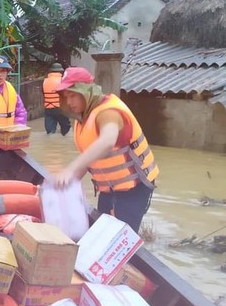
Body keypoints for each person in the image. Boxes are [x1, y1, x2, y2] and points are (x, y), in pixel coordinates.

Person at [53, 67, 159, 231]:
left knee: (120, 237)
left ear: (86, 91)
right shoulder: (84, 118)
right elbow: (89, 159)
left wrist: (69, 169)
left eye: (73, 95)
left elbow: (107, 141)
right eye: (66, 97)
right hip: (109, 188)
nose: (69, 102)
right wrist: (65, 184)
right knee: (102, 230)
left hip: (134, 188)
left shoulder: (109, 112)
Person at [42, 62, 71, 135]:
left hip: (48, 109)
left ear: (50, 71)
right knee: (65, 129)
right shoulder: (64, 81)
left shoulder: (45, 81)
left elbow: (43, 93)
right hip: (61, 109)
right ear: (61, 71)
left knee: (50, 132)